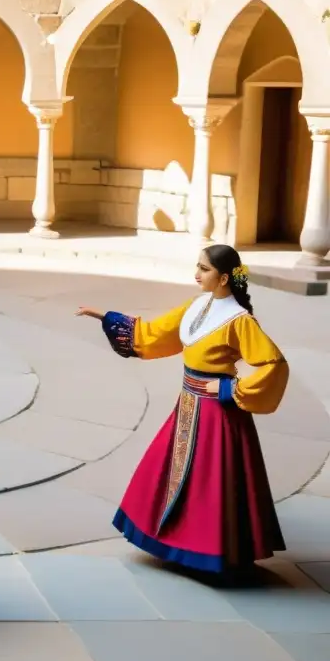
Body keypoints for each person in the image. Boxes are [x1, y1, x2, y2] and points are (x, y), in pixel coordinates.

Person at [76, 244, 288, 578]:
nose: (196, 274)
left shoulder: (240, 321)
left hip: (219, 415)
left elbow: (273, 364)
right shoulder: (197, 306)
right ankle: (177, 542)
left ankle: (210, 552)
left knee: (212, 483)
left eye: (203, 269)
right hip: (187, 406)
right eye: (197, 266)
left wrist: (231, 389)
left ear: (222, 278)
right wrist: (106, 316)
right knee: (169, 471)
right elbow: (155, 333)